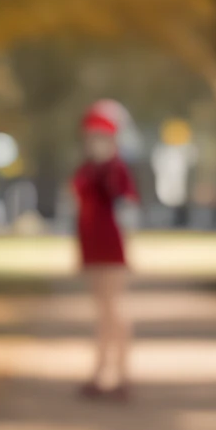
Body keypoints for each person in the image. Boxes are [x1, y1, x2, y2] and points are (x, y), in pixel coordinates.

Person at [71, 101, 138, 399]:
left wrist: (130, 245)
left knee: (113, 309)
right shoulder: (87, 169)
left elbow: (127, 209)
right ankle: (101, 370)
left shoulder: (116, 170)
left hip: (111, 246)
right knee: (101, 311)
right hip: (91, 245)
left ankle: (121, 373)